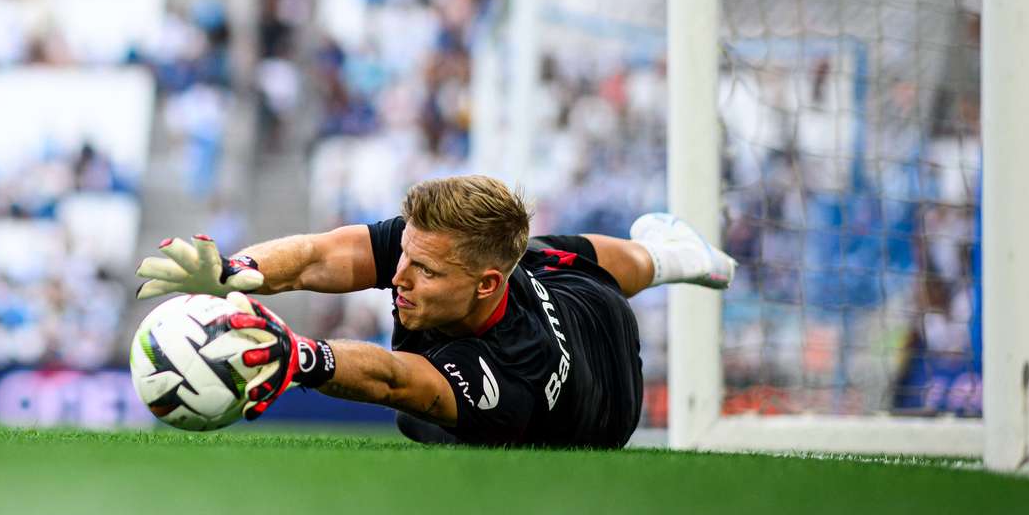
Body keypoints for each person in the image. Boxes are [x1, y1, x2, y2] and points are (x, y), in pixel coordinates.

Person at [134, 174, 734, 448]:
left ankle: (674, 256)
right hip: (582, 294)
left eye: (425, 271)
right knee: (565, 256)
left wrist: (301, 358)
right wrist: (233, 270)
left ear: (486, 285)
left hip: (601, 407)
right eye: (405, 255)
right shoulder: (446, 253)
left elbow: (400, 381)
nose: (398, 275)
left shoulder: (512, 370)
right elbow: (320, 256)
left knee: (420, 424)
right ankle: (677, 256)